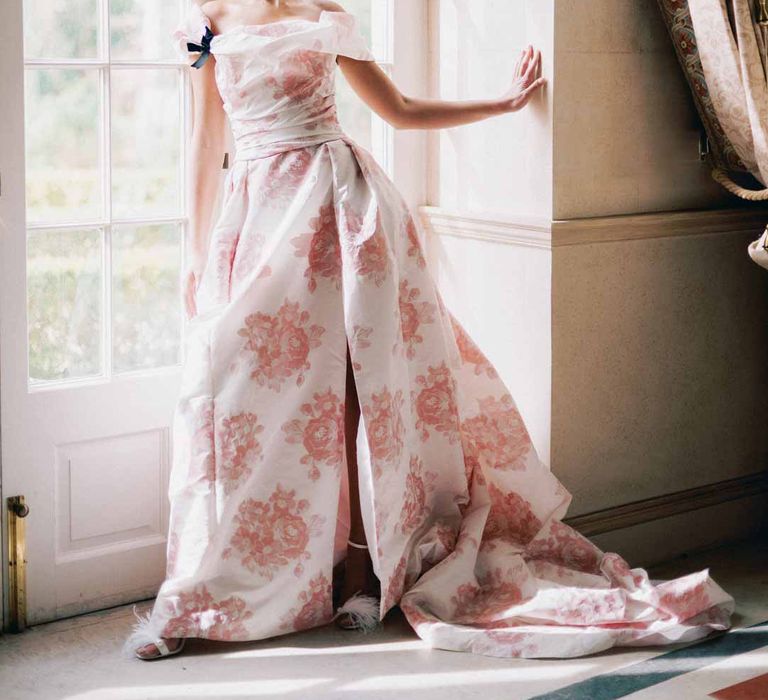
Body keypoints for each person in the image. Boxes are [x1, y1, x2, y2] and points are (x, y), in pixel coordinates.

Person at [124, 0, 734, 661]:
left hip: (343, 209)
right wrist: (194, 250)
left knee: (359, 390)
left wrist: (501, 104)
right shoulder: (207, 22)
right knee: (235, 399)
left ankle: (359, 575)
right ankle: (208, 590)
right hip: (259, 220)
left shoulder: (326, 13)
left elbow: (401, 109)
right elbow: (204, 141)